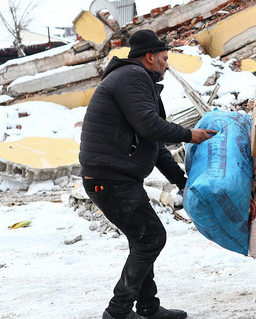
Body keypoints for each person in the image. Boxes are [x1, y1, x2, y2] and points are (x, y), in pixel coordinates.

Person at [79, 29, 216, 319]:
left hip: (117, 177)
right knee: (151, 237)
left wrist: (182, 182)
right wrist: (190, 134)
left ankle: (148, 308)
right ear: (150, 57)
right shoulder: (132, 77)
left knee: (142, 239)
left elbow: (153, 143)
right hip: (109, 179)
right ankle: (117, 312)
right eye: (165, 58)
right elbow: (150, 126)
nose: (168, 64)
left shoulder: (137, 81)